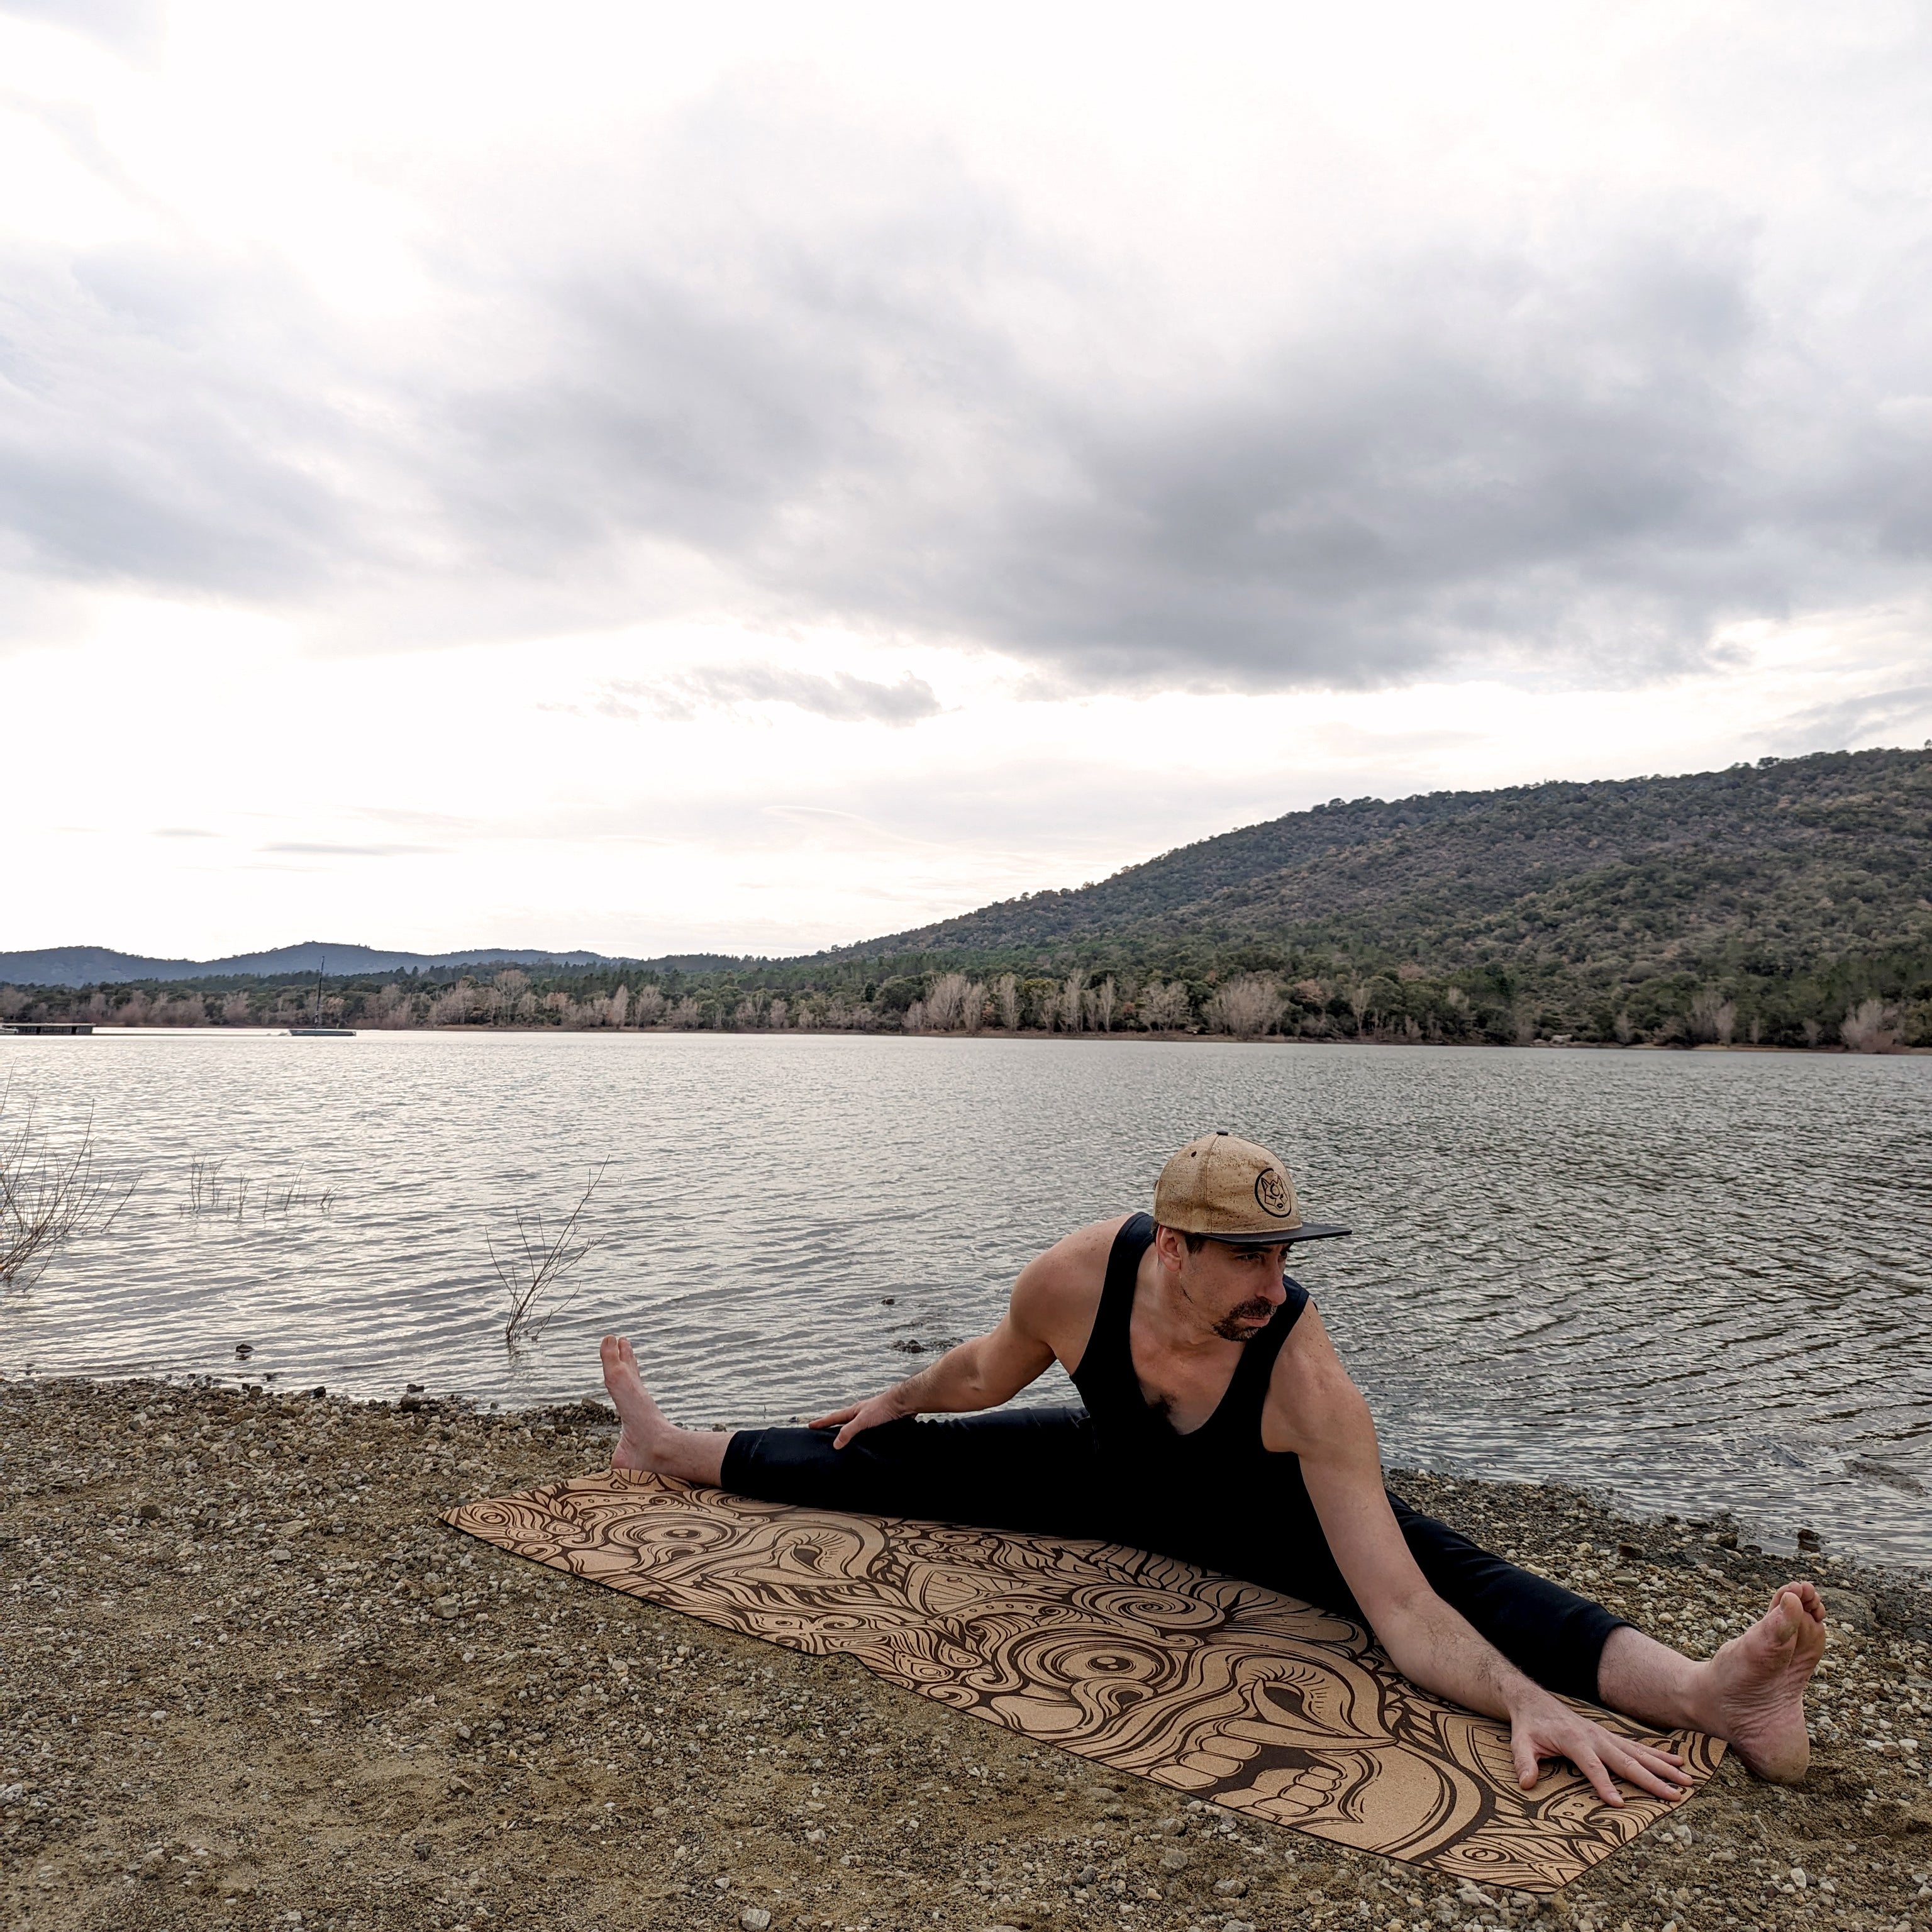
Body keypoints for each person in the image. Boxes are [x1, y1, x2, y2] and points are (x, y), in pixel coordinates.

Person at [599, 1131, 1825, 1805]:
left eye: (1283, 1256)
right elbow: (986, 1368)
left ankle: (1715, 1695)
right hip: (1106, 1474)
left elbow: (1403, 1611)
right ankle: (667, 1447)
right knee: (887, 1458)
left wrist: (1521, 1699)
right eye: (1247, 1259)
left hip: (1263, 1520)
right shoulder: (1076, 1277)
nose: (1274, 1284)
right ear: (1175, 1249)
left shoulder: (1303, 1376)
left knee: (1465, 1580)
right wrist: (902, 1397)